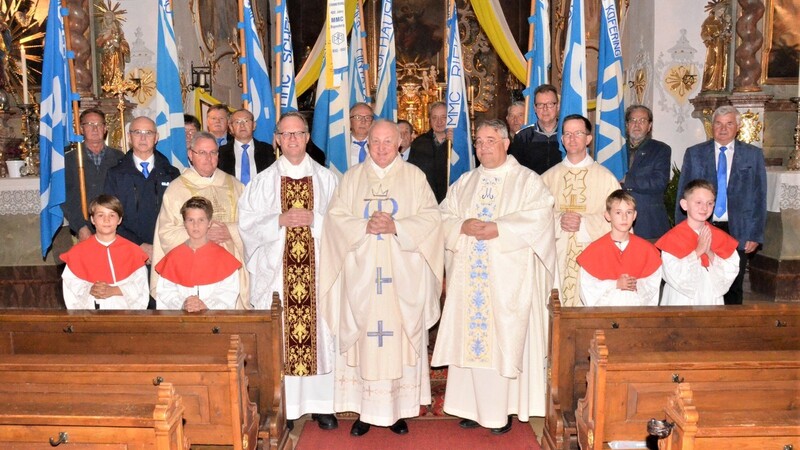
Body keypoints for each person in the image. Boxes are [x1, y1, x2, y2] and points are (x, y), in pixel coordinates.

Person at [319, 119, 444, 437]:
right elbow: (335, 219)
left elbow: (431, 219)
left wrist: (397, 227)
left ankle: (397, 412)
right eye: (376, 141)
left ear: (400, 143)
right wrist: (363, 227)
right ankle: (364, 412)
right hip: (361, 279)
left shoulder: (414, 177)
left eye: (389, 141)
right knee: (363, 341)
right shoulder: (351, 178)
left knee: (398, 340)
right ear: (367, 143)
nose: (382, 147)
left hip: (402, 279)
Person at [432, 119, 557, 434]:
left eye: (490, 140)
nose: (483, 147)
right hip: (469, 282)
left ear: (506, 143)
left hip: (506, 283)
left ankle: (501, 411)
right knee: (470, 340)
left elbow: (541, 216)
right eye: (478, 141)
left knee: (502, 341)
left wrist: (499, 228)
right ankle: (470, 406)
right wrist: (462, 226)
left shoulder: (527, 181)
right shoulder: (466, 182)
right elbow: (443, 215)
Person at [238, 112, 340, 431]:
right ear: (277, 140)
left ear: (308, 137)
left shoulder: (328, 179)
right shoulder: (262, 182)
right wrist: (279, 221)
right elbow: (247, 226)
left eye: (298, 133)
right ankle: (289, 407)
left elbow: (343, 224)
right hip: (279, 274)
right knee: (283, 338)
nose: (293, 139)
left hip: (319, 272)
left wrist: (317, 221)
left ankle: (323, 405)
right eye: (286, 134)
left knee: (320, 335)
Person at [675, 105, 766, 305]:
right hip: (703, 227)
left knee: (733, 284)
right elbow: (684, 192)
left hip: (738, 230)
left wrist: (755, 234)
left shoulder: (753, 155)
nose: (723, 129)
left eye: (729, 123)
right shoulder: (695, 153)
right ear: (712, 126)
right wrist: (681, 230)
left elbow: (759, 197)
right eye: (718, 123)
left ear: (738, 127)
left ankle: (731, 329)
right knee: (702, 281)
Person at [151, 131, 249, 309]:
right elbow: (166, 233)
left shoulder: (234, 185)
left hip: (229, 268)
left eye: (213, 153)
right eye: (202, 153)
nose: (208, 158)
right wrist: (202, 235)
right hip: (192, 270)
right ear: (190, 155)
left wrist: (231, 230)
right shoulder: (176, 189)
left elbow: (251, 225)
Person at [541, 114, 621, 307]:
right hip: (556, 259)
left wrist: (584, 223)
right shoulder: (547, 178)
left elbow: (621, 220)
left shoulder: (606, 178)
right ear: (561, 140)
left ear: (588, 138)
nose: (572, 138)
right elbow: (534, 217)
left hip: (594, 259)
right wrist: (558, 219)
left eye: (578, 133)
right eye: (567, 134)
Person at [104, 116, 180, 264]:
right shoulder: (115, 174)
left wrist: (160, 246)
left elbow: (178, 215)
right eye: (137, 132)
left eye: (148, 133)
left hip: (166, 250)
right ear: (129, 137)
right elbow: (110, 217)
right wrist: (139, 245)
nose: (143, 138)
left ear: (156, 137)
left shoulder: (171, 173)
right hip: (127, 251)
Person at [658, 179, 740, 305]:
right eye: (698, 202)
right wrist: (698, 251)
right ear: (684, 204)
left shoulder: (720, 236)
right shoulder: (673, 238)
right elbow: (672, 273)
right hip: (681, 299)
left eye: (710, 203)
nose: (704, 208)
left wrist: (710, 252)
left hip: (711, 295)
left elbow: (731, 269)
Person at [60, 195, 149, 310]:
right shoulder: (78, 253)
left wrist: (114, 290)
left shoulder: (133, 251)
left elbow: (140, 288)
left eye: (112, 215)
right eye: (100, 215)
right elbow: (71, 286)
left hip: (125, 316)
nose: (106, 220)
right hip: (91, 317)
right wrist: (90, 289)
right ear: (92, 219)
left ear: (120, 220)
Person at [577, 190, 662, 306]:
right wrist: (616, 284)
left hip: (637, 314)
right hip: (606, 316)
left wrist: (633, 285)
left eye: (629, 212)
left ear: (635, 215)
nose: (624, 217)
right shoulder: (595, 250)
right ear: (608, 215)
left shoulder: (647, 250)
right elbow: (588, 289)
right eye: (618, 212)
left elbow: (652, 285)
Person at [155, 196, 241, 311]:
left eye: (201, 220)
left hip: (213, 322)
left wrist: (205, 305)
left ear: (209, 223)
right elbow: (166, 291)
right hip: (181, 321)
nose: (196, 225)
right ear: (184, 223)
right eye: (191, 220)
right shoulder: (173, 257)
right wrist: (183, 303)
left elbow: (228, 292)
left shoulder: (224, 258)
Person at [62, 108, 124, 241]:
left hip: (115, 228)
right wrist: (81, 226)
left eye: (99, 124)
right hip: (84, 227)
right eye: (89, 124)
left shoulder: (120, 158)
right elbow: (66, 198)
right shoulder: (70, 160)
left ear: (105, 128)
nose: (95, 129)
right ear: (81, 129)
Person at [621, 105, 672, 241]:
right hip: (618, 221)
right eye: (633, 120)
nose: (637, 125)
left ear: (649, 126)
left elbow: (659, 182)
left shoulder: (661, 150)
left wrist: (627, 180)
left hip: (648, 224)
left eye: (642, 121)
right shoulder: (616, 150)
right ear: (627, 125)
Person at [508, 84, 564, 175]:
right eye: (540, 105)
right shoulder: (523, 137)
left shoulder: (567, 135)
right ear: (534, 108)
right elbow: (516, 174)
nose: (545, 109)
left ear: (557, 107)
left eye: (550, 104)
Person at [218, 109, 276, 185]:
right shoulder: (221, 152)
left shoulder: (267, 150)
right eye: (237, 122)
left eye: (246, 121)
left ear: (254, 125)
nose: (242, 125)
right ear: (231, 128)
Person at [408, 101, 449, 203]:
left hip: (451, 200)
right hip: (425, 200)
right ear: (429, 120)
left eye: (443, 117)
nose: (439, 122)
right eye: (434, 117)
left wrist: (455, 143)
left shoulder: (458, 144)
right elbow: (412, 173)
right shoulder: (419, 143)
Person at [349, 102, 374, 167]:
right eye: (358, 117)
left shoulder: (381, 146)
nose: (363, 121)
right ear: (349, 121)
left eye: (367, 118)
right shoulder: (340, 146)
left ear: (372, 122)